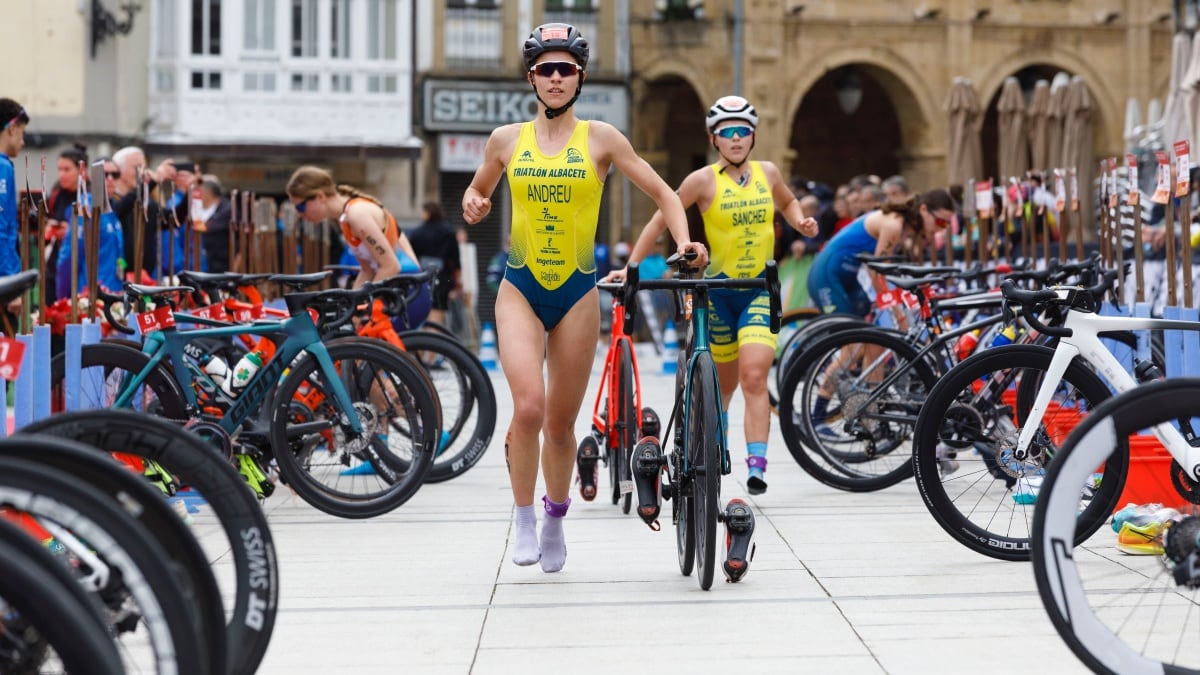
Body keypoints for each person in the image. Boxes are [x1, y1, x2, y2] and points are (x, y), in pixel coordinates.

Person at [460, 23, 707, 573]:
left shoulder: (601, 138)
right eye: (545, 68)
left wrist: (686, 239)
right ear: (531, 77)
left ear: (579, 78)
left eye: (564, 68)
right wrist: (473, 203)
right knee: (527, 407)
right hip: (520, 288)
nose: (554, 77)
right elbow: (477, 190)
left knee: (560, 424)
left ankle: (554, 517)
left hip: (576, 292)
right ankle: (523, 515)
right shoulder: (506, 140)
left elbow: (665, 192)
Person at [611, 95, 818, 496]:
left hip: (758, 290)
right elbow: (660, 217)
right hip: (718, 293)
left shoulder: (769, 173)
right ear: (714, 139)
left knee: (755, 375)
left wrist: (799, 220)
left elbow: (788, 200)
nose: (736, 138)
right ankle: (713, 445)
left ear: (754, 137)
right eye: (727, 132)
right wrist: (632, 266)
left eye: (743, 131)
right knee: (722, 389)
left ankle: (757, 464)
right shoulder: (702, 181)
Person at [286, 165, 431, 330]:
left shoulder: (357, 214)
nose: (300, 214)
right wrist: (350, 305)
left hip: (408, 291)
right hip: (398, 290)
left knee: (368, 350)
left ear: (320, 196)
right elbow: (367, 270)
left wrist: (362, 307)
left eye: (300, 207)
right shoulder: (346, 219)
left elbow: (391, 266)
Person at [807, 189, 957, 318]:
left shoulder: (906, 227)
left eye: (947, 224)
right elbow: (877, 272)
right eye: (941, 222)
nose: (942, 229)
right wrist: (896, 311)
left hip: (846, 275)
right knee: (848, 332)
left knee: (866, 331)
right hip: (826, 273)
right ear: (923, 210)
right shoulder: (894, 225)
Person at [407, 201, 460, 327]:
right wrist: (458, 281)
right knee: (437, 312)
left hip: (421, 277)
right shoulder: (449, 232)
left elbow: (411, 255)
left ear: (428, 213)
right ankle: (432, 344)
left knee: (421, 311)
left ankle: (421, 344)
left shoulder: (417, 232)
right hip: (442, 277)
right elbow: (455, 259)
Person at [0, 99, 28, 316]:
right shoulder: (2, 166)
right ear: (11, 129)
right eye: (22, 133)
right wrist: (10, 282)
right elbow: (2, 229)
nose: (23, 141)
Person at [191, 175, 232, 273]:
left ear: (208, 193)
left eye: (199, 191)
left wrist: (197, 226)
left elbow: (211, 227)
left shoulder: (227, 209)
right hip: (200, 261)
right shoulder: (197, 207)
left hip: (219, 262)